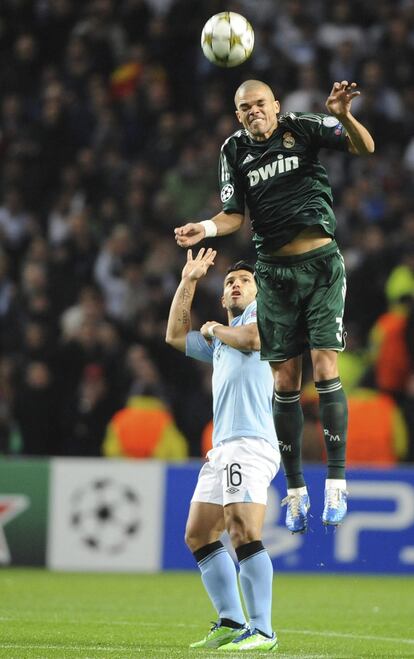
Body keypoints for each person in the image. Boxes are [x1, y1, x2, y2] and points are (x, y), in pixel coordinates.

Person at [175, 79, 375, 534]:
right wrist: (205, 229)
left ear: (276, 105)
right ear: (237, 114)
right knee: (285, 378)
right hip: (274, 273)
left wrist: (343, 115)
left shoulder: (301, 127)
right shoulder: (232, 150)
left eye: (260, 104)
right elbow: (234, 214)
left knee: (324, 367)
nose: (253, 112)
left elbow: (364, 147)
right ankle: (296, 490)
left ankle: (338, 484)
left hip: (321, 263)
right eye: (244, 108)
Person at [165, 247, 280, 652]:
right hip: (224, 447)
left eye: (245, 281)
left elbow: (253, 340)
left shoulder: (264, 318)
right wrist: (189, 280)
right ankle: (232, 620)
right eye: (230, 281)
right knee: (198, 534)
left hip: (252, 442)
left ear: (258, 293)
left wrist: (213, 328)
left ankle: (263, 630)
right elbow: (175, 336)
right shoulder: (219, 341)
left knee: (243, 529)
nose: (235, 284)